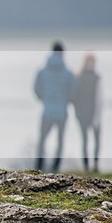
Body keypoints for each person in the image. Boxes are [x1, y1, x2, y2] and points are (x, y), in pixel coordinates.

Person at [33, 41, 76, 172]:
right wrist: (65, 101)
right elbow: (73, 91)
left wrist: (45, 100)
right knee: (60, 140)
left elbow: (36, 88)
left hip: (47, 110)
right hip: (62, 111)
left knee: (42, 139)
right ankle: (55, 167)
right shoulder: (68, 72)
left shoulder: (43, 71)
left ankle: (39, 166)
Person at [74, 53, 102, 173]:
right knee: (87, 140)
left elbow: (99, 98)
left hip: (90, 113)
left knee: (90, 140)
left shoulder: (83, 77)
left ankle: (94, 164)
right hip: (86, 114)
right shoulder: (87, 78)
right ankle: (88, 165)